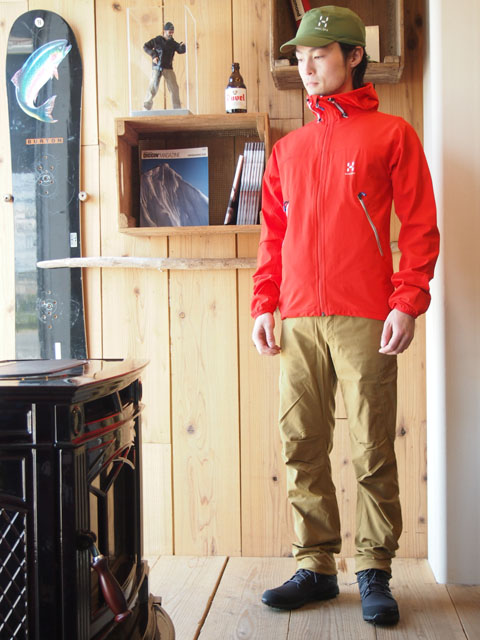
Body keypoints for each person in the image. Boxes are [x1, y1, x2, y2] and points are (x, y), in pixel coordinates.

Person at [251, 5, 439, 627]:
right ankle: (316, 566)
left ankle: (374, 569)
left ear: (354, 56)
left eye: (320, 55)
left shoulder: (392, 135)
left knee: (372, 445)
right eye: (301, 57)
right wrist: (264, 303)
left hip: (366, 315)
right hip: (299, 318)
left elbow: (419, 226)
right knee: (301, 442)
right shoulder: (288, 150)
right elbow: (272, 237)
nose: (307, 67)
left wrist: (407, 301)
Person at [143, 22, 186, 110]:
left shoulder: (173, 43)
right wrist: (154, 55)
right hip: (157, 67)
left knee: (174, 88)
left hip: (168, 68)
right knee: (153, 86)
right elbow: (146, 46)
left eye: (172, 32)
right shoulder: (157, 40)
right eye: (169, 32)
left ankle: (177, 108)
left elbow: (180, 50)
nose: (171, 34)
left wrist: (183, 46)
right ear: (164, 31)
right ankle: (146, 106)